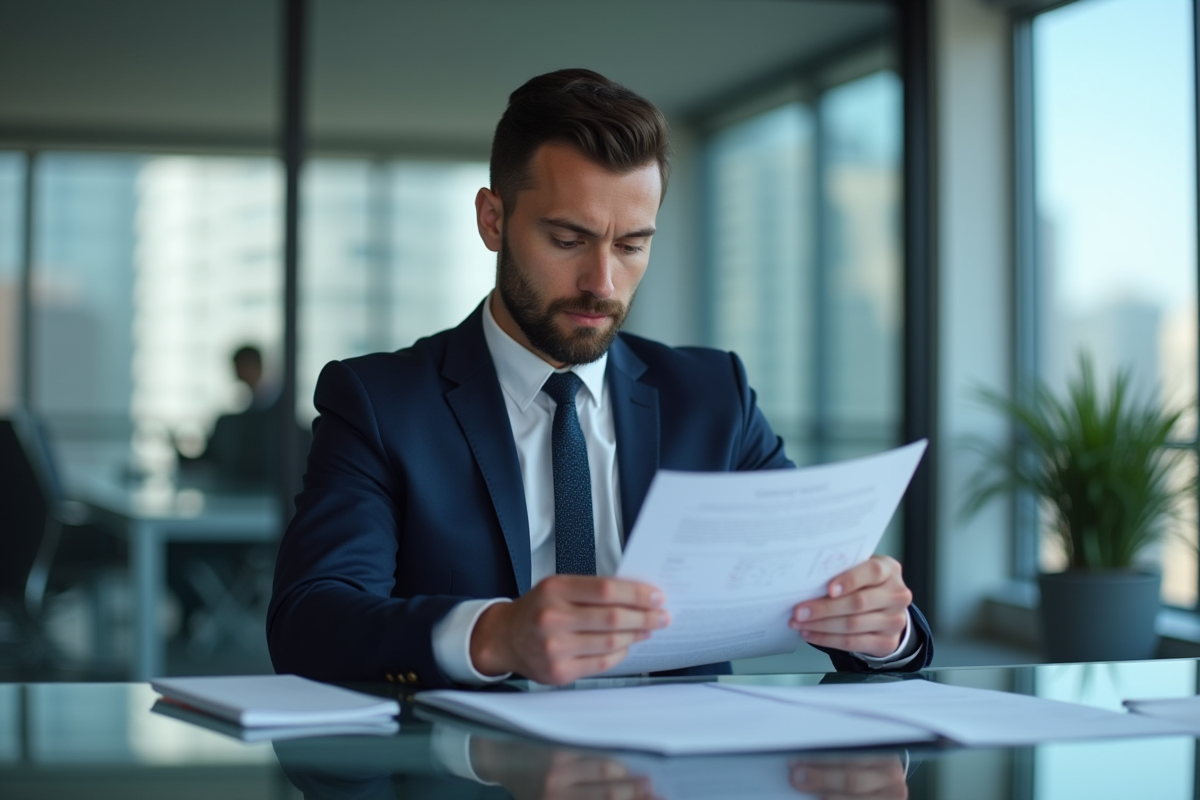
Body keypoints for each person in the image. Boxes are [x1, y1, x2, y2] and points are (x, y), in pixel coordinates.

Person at [268, 68, 932, 688]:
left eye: (631, 244)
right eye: (567, 239)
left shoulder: (713, 397)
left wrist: (880, 628)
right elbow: (309, 619)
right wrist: (495, 635)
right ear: (493, 220)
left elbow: (821, 583)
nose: (602, 283)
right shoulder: (382, 404)